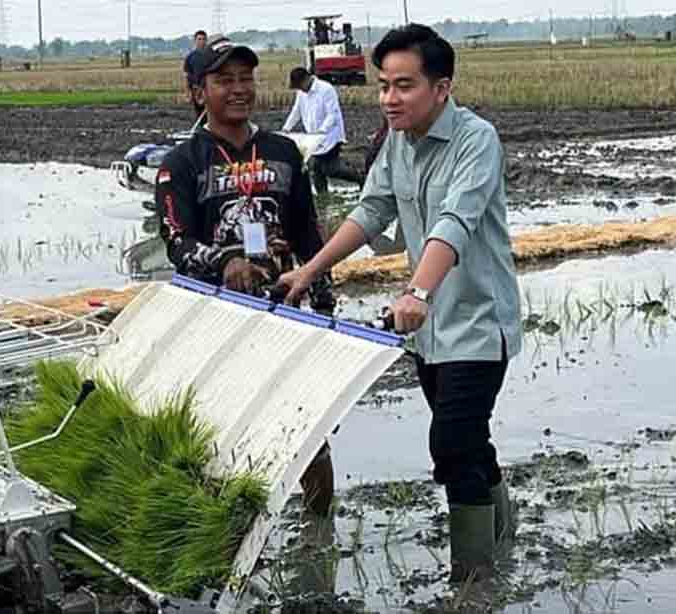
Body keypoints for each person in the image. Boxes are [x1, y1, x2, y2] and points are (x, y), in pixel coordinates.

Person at [278, 24, 522, 583]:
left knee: (452, 443)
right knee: (468, 437)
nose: (389, 99)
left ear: (441, 87)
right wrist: (310, 270)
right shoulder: (396, 146)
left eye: (404, 86)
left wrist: (416, 290)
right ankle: (504, 537)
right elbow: (371, 213)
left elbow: (455, 223)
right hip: (428, 330)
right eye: (383, 85)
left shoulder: (475, 140)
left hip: (478, 323)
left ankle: (474, 579)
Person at [154, 35, 337, 517]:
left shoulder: (282, 152)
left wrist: (323, 299)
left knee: (308, 430)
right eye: (223, 81)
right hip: (216, 324)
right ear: (197, 92)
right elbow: (177, 244)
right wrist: (225, 262)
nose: (239, 89)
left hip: (283, 313)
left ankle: (319, 537)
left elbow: (308, 234)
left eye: (246, 79)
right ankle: (227, 535)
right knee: (224, 433)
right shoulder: (180, 165)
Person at [281, 67, 364, 195]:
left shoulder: (326, 89)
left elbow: (333, 114)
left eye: (300, 85)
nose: (300, 89)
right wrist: (286, 128)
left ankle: (360, 178)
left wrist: (321, 131)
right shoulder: (301, 93)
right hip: (314, 138)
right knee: (316, 168)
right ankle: (322, 197)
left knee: (330, 169)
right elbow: (296, 111)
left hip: (330, 136)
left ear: (307, 79)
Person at [183, 30, 208, 119]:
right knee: (199, 114)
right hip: (196, 89)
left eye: (204, 39)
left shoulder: (211, 56)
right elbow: (186, 75)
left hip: (209, 89)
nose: (202, 41)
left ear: (206, 40)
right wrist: (187, 92)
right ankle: (201, 131)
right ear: (195, 41)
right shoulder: (190, 57)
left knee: (210, 113)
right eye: (199, 39)